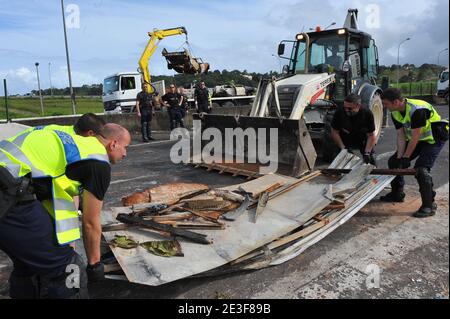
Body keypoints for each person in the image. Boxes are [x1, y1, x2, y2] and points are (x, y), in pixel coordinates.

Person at [0, 123, 131, 298]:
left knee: (29, 264)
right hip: (8, 192)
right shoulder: (98, 161)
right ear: (113, 144)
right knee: (69, 268)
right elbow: (90, 222)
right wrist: (94, 264)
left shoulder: (68, 139)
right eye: (125, 147)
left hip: (10, 187)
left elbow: (59, 193)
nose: (125, 154)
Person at [380, 88, 448, 218]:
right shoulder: (395, 112)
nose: (384, 106)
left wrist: (406, 157)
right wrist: (400, 158)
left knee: (421, 169)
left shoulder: (417, 109)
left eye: (386, 104)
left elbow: (416, 135)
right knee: (394, 162)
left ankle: (429, 205)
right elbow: (401, 136)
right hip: (418, 139)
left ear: (395, 102)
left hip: (434, 137)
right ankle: (397, 193)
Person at [330, 93, 377, 165]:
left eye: (349, 108)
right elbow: (334, 132)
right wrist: (343, 149)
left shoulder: (367, 113)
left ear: (358, 106)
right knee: (338, 162)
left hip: (362, 137)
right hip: (345, 137)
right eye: (345, 107)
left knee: (371, 160)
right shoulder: (339, 112)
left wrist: (367, 153)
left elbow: (371, 135)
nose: (346, 110)